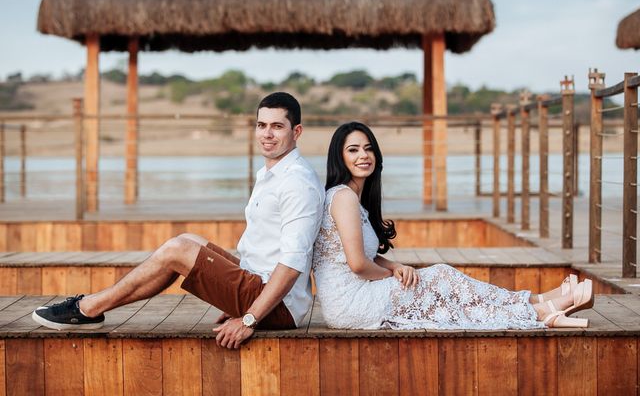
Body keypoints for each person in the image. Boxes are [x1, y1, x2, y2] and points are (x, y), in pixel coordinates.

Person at [33, 92, 325, 349]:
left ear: (296, 131)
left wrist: (250, 317)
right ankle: (90, 308)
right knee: (188, 240)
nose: (267, 134)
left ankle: (87, 308)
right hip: (257, 285)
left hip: (278, 307)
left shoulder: (297, 182)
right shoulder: (271, 174)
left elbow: (291, 266)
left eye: (277, 126)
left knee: (177, 250)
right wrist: (233, 298)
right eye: (261, 125)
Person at [312, 121, 594, 330]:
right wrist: (393, 277)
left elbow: (367, 257)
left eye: (369, 148)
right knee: (441, 279)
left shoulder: (354, 200)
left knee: (443, 285)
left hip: (358, 294)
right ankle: (538, 308)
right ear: (340, 157)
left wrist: (394, 267)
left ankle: (539, 303)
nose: (364, 155)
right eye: (353, 150)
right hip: (350, 303)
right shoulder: (343, 197)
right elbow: (359, 265)